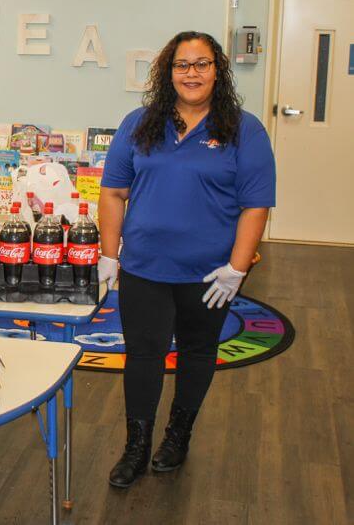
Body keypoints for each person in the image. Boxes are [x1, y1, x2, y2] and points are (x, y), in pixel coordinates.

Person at [98, 31, 275, 488]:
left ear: (218, 69)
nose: (191, 73)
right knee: (143, 355)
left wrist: (237, 268)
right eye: (182, 65)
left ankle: (178, 436)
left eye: (201, 64)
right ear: (167, 72)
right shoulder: (139, 123)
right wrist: (109, 255)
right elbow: (114, 192)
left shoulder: (244, 128)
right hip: (144, 268)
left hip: (210, 273)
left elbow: (256, 204)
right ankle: (136, 445)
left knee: (197, 353)